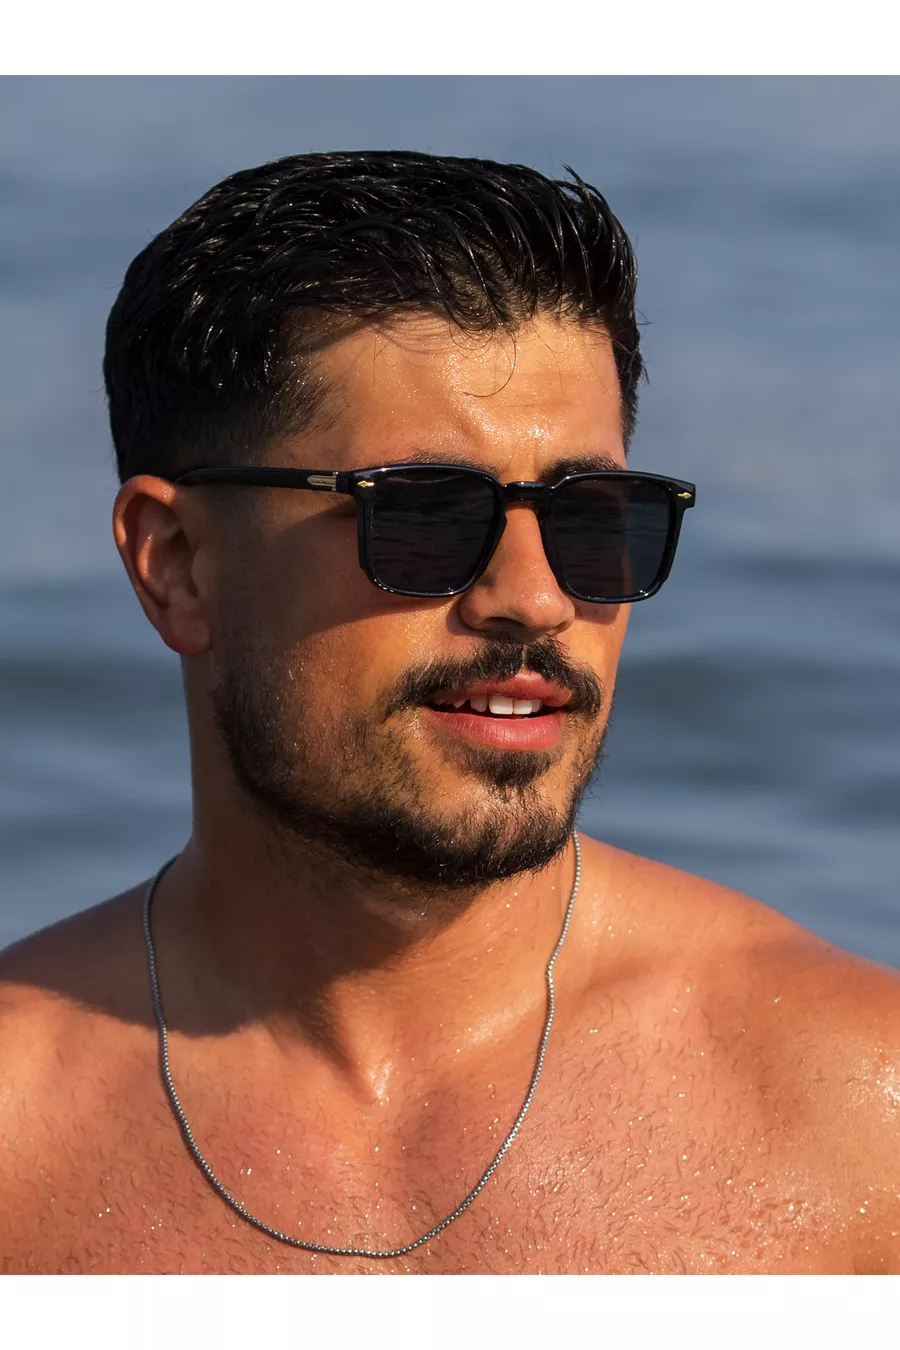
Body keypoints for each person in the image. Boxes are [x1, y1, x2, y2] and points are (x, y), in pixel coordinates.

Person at [1, 151, 897, 1276]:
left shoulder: (857, 1111)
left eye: (592, 518)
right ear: (176, 563)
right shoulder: (22, 1140)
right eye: (423, 515)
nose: (536, 598)